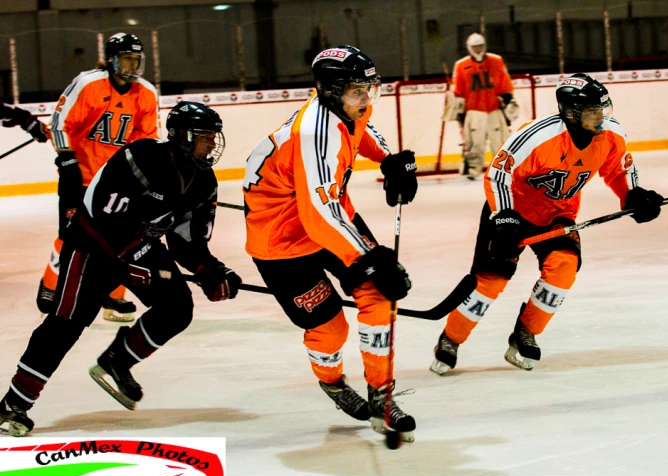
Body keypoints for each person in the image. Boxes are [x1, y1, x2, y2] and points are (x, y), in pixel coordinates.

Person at [0, 101, 242, 437]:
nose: (212, 145)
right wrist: (135, 259)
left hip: (138, 246)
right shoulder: (141, 157)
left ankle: (117, 360)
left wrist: (210, 270)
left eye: (213, 137)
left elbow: (187, 242)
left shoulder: (203, 182)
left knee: (177, 308)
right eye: (205, 137)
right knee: (66, 323)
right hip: (91, 245)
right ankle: (15, 403)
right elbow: (102, 216)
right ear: (182, 137)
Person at [430, 73, 664, 375]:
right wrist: (503, 217)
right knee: (492, 280)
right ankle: (451, 339)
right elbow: (499, 172)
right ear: (571, 112)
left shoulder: (610, 136)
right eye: (594, 111)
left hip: (558, 215)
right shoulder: (539, 136)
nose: (602, 117)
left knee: (564, 267)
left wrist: (634, 196)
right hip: (511, 212)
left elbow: (618, 170)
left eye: (604, 109)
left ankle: (525, 332)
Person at [243, 46, 419, 441]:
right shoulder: (314, 134)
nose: (366, 99)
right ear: (329, 90)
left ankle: (381, 395)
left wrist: (389, 160)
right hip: (282, 239)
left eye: (369, 89)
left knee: (378, 294)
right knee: (330, 328)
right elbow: (317, 216)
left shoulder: (348, 106)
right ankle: (334, 382)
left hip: (327, 215)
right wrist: (370, 257)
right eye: (358, 91)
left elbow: (363, 131)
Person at [39, 32, 159, 322]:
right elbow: (58, 122)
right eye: (126, 59)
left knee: (120, 240)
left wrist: (146, 174)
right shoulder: (89, 84)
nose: (132, 66)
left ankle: (113, 296)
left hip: (117, 181)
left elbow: (148, 138)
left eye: (136, 59)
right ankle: (51, 286)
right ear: (112, 60)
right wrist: (66, 157)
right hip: (79, 175)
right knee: (70, 236)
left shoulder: (146, 93)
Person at [444, 33, 519, 180]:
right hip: (473, 111)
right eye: (474, 47)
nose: (477, 49)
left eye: (480, 46)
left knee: (500, 142)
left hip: (494, 109)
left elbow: (505, 85)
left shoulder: (496, 61)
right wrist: (460, 113)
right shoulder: (461, 65)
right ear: (469, 48)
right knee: (474, 144)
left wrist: (507, 102)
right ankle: (473, 170)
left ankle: (503, 170)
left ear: (484, 46)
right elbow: (458, 91)